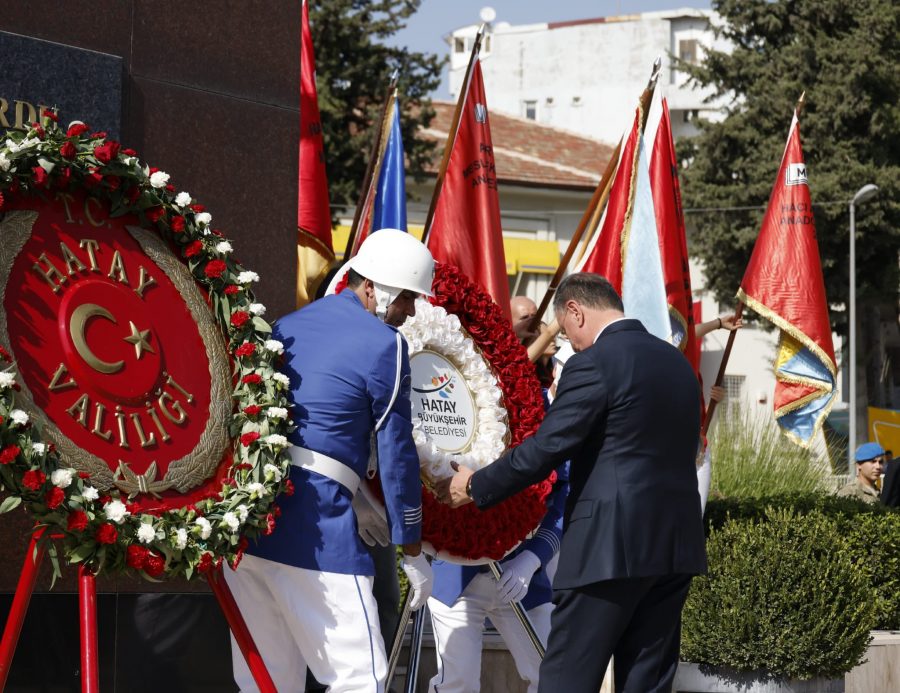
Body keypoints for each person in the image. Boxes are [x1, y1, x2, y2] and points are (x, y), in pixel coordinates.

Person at [438, 272, 707, 693]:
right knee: (647, 683)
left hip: (608, 550)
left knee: (567, 679)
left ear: (576, 312)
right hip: (675, 548)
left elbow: (548, 447)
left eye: (565, 331)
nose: (569, 344)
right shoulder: (678, 365)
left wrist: (475, 485)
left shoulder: (594, 363)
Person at [224, 229, 436, 692]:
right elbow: (398, 456)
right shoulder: (385, 345)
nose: (412, 311)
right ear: (373, 288)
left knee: (266, 683)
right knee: (361, 680)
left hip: (251, 528)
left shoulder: (287, 325)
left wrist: (356, 490)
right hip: (316, 532)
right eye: (407, 299)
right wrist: (413, 549)